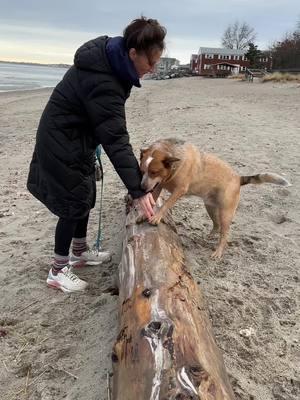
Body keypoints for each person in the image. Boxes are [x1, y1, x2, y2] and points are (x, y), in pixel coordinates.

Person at [27, 16, 167, 293]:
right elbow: (115, 138)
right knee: (72, 204)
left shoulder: (110, 66)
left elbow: (107, 129)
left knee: (85, 195)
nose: (152, 69)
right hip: (61, 141)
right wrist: (138, 191)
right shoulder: (105, 79)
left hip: (76, 138)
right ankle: (57, 270)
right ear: (132, 53)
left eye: (157, 64)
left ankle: (79, 251)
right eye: (150, 63)